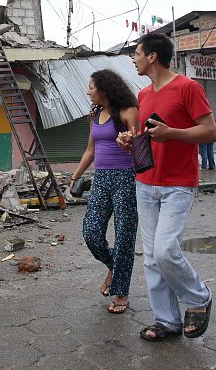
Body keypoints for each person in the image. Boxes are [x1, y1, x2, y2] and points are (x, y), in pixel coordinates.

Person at [117, 32, 216, 342]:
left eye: (136, 53)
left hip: (178, 184)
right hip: (146, 183)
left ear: (152, 57)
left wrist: (172, 132)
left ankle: (199, 297)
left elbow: (211, 132)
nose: (133, 58)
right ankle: (167, 320)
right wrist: (129, 142)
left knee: (165, 251)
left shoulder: (188, 87)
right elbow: (149, 136)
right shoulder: (144, 95)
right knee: (150, 257)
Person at [69, 69, 140, 315]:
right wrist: (76, 175)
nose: (87, 92)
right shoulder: (96, 114)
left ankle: (121, 293)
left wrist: (130, 143)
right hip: (101, 178)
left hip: (126, 178)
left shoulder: (129, 112)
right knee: (91, 232)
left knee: (124, 236)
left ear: (103, 88)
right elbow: (91, 150)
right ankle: (115, 266)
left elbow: (141, 149)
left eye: (91, 87)